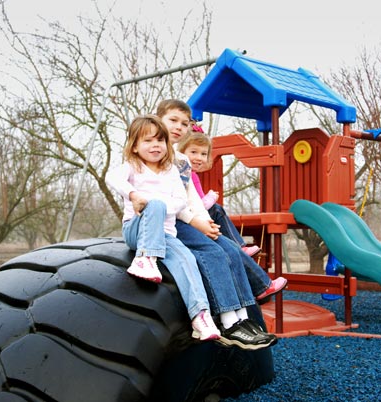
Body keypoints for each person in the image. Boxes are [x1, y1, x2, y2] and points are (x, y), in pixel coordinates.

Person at [156, 100, 287, 349]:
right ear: (159, 118)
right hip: (167, 222)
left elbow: (191, 196)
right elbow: (166, 198)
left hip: (187, 217)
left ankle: (244, 319)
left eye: (184, 123)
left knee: (230, 248)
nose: (179, 127)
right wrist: (196, 222)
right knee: (213, 252)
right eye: (173, 120)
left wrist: (206, 222)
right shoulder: (156, 152)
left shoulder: (180, 159)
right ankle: (228, 322)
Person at [109, 114, 220, 341]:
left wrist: (155, 204)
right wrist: (134, 194)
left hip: (166, 234)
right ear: (135, 146)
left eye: (159, 140)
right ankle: (145, 259)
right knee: (156, 205)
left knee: (187, 261)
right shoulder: (133, 166)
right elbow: (112, 177)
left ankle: (201, 316)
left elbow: (180, 201)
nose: (155, 145)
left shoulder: (171, 171)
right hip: (136, 231)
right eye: (147, 141)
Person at [178, 124, 261, 257]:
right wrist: (210, 198)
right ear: (181, 153)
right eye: (193, 152)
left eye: (203, 154)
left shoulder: (193, 174)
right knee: (216, 209)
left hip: (193, 215)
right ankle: (239, 246)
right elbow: (200, 206)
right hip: (187, 217)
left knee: (216, 213)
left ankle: (234, 245)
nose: (199, 157)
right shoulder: (188, 175)